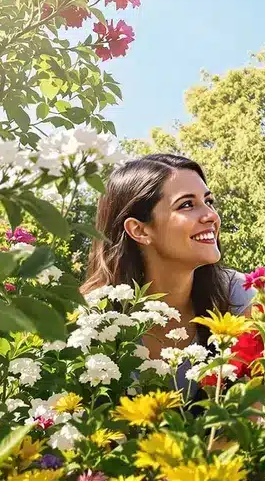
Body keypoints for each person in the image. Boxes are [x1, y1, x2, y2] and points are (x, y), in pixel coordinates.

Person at [81, 153, 254, 395]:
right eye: (187, 205)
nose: (211, 216)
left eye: (209, 201)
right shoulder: (90, 318)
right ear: (139, 230)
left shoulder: (237, 296)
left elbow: (255, 413)